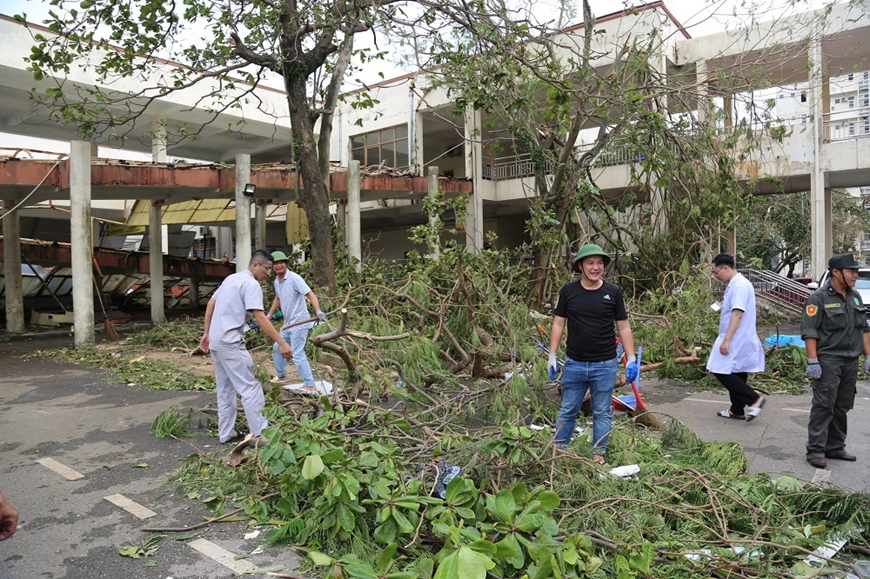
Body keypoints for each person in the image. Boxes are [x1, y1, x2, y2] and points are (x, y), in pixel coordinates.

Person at [548, 243, 638, 465]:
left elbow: (624, 327)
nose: (595, 267)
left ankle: (599, 454)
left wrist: (632, 358)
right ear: (581, 265)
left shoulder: (613, 292)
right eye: (590, 263)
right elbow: (558, 324)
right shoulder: (568, 292)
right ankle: (559, 452)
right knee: (568, 410)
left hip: (605, 364)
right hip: (575, 363)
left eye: (599, 263)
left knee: (602, 412)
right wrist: (552, 354)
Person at [199, 249, 292, 444]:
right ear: (255, 265)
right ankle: (260, 434)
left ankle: (227, 433)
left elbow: (210, 304)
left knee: (225, 388)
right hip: (231, 343)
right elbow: (259, 316)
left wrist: (207, 333)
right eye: (267, 268)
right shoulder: (251, 284)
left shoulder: (231, 279)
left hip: (217, 341)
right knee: (251, 388)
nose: (268, 273)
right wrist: (282, 342)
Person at [801, 253, 870, 469]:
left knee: (842, 406)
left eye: (856, 271)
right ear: (836, 272)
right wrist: (813, 360)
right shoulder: (819, 298)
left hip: (850, 361)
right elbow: (810, 331)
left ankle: (835, 447)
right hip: (829, 361)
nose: (855, 275)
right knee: (824, 406)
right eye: (851, 271)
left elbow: (864, 330)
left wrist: (868, 355)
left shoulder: (855, 296)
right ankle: (815, 450)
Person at [706, 254, 766, 421]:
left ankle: (754, 399)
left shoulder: (739, 286)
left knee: (719, 369)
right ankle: (737, 409)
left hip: (735, 337)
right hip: (740, 337)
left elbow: (738, 313)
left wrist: (727, 339)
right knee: (738, 372)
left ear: (726, 268)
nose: (715, 276)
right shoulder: (735, 284)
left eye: (716, 272)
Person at [266, 250, 326, 392]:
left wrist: (318, 311)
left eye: (281, 262)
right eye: (275, 263)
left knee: (297, 353)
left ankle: (309, 384)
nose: (279, 266)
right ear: (272, 266)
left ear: (286, 264)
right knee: (277, 347)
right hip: (288, 324)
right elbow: (278, 298)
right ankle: (282, 376)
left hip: (300, 322)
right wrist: (269, 314)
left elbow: (310, 294)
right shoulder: (277, 281)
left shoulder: (294, 278)